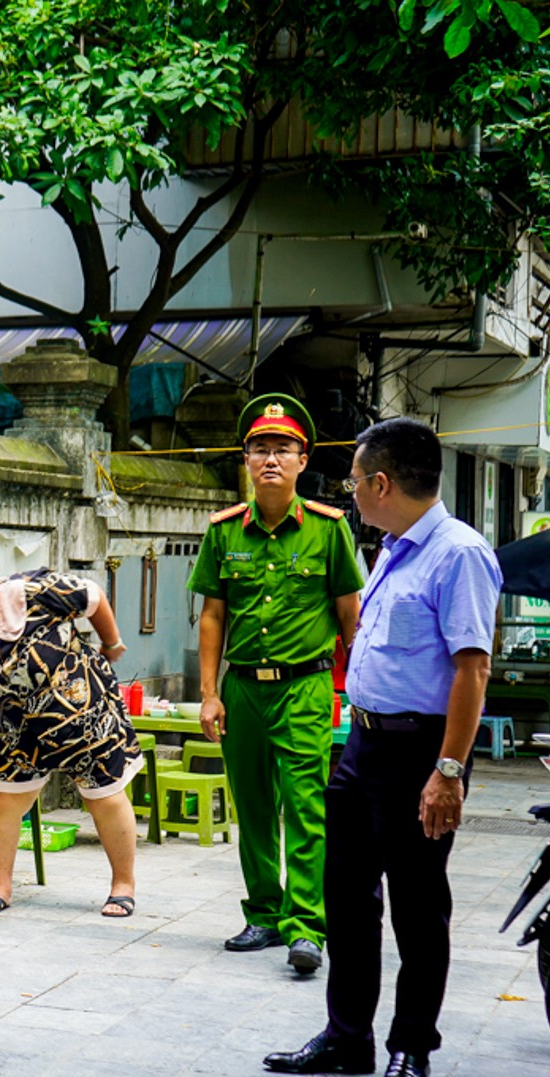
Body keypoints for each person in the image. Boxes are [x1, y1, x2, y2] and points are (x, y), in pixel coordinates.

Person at [264, 418, 498, 1077]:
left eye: (355, 480)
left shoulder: (459, 554)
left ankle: (410, 1047)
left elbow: (472, 669)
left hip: (419, 751)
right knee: (348, 896)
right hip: (362, 744)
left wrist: (448, 771)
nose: (352, 494)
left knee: (418, 908)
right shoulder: (394, 547)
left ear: (381, 482)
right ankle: (348, 1034)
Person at [189, 394, 363, 975]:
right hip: (242, 689)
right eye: (260, 448)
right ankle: (263, 912)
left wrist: (355, 690)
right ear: (245, 458)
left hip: (305, 688)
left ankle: (307, 925)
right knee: (255, 806)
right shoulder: (222, 533)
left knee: (306, 805)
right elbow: (212, 615)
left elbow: (349, 613)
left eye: (282, 449)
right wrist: (209, 693)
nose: (270, 459)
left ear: (301, 459)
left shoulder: (328, 529)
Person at [0, 558, 142, 919]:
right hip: (17, 727)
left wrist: (112, 644)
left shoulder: (31, 595)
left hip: (82, 713)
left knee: (104, 797)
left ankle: (122, 887)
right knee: (0, 803)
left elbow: (92, 596)